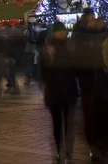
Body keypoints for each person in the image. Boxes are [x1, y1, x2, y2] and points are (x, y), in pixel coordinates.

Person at [71, 9, 108, 162]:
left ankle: (99, 142)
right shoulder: (79, 35)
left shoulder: (100, 33)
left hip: (100, 79)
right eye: (90, 19)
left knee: (100, 113)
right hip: (87, 80)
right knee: (90, 115)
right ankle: (93, 144)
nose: (92, 22)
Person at [41, 21, 78, 164]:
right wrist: (49, 59)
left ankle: (68, 151)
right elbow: (43, 74)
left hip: (69, 90)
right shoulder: (48, 48)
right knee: (57, 123)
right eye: (60, 31)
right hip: (54, 91)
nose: (63, 33)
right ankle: (58, 149)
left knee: (69, 123)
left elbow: (75, 69)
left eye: (63, 31)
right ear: (54, 32)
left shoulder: (70, 46)